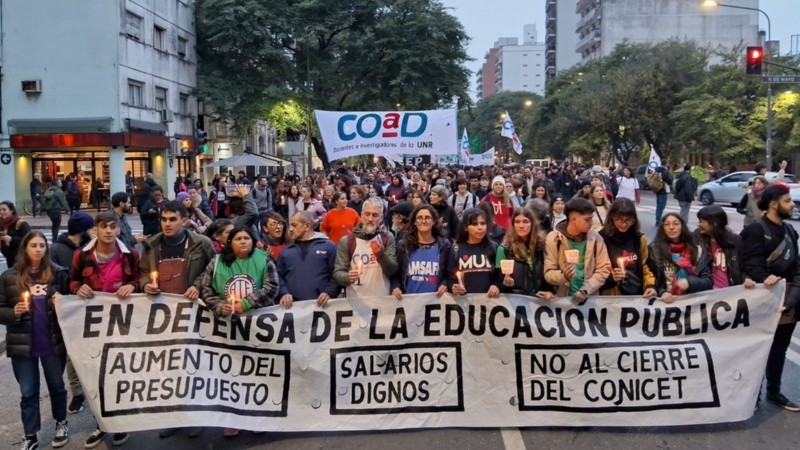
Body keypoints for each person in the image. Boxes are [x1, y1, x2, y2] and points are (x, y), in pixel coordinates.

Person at [139, 201, 214, 439]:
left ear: (184, 220)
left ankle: (196, 416)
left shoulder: (202, 243)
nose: (167, 224)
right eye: (164, 219)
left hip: (193, 315)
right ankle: (172, 416)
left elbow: (214, 269)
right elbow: (141, 273)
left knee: (194, 367)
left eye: (173, 219)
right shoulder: (151, 246)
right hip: (162, 317)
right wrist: (144, 285)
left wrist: (197, 285)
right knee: (167, 369)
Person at [198, 225, 279, 437]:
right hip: (227, 326)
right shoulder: (216, 262)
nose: (243, 241)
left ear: (253, 241)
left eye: (247, 238)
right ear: (229, 243)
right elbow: (206, 289)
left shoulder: (264, 259)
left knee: (257, 371)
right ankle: (233, 417)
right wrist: (218, 306)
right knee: (231, 372)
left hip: (257, 325)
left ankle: (258, 417)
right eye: (238, 239)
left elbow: (272, 287)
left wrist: (246, 303)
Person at [69, 211, 138, 448]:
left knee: (119, 374)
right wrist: (78, 288)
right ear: (94, 230)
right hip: (93, 326)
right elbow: (72, 281)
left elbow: (138, 280)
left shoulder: (130, 256)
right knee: (96, 376)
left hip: (121, 324)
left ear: (119, 229)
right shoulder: (81, 255)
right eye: (103, 226)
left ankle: (120, 423)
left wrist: (131, 285)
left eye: (112, 226)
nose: (108, 231)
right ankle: (101, 423)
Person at [0, 231, 71, 450]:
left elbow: (72, 304)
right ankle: (30, 434)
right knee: (28, 392)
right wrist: (14, 312)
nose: (38, 249)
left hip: (51, 342)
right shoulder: (9, 277)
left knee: (57, 386)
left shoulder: (58, 273)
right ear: (25, 249)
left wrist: (64, 302)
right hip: (23, 344)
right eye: (33, 245)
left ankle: (61, 423)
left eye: (42, 245)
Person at [740, 184, 800, 411]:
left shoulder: (791, 232)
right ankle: (752, 395)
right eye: (787, 200)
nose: (793, 204)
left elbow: (797, 269)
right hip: (760, 303)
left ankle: (774, 392)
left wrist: (790, 301)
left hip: (787, 304)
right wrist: (767, 279)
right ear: (774, 204)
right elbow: (749, 265)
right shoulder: (755, 231)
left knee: (779, 350)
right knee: (756, 349)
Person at [544, 197, 612, 304]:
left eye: (591, 218)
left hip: (589, 300)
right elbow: (548, 273)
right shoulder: (554, 238)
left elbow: (604, 269)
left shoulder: (595, 238)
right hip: (562, 300)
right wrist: (564, 276)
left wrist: (585, 290)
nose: (591, 223)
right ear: (573, 219)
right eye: (587, 219)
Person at [333, 197, 398, 297]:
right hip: (355, 302)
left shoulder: (387, 237)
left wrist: (381, 255)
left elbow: (392, 271)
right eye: (367, 214)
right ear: (361, 215)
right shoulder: (347, 241)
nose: (370, 219)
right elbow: (338, 274)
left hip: (382, 302)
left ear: (381, 218)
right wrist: (347, 277)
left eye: (375, 215)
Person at [277, 211, 341, 308]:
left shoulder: (329, 246)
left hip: (323, 307)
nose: (290, 229)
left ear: (307, 226)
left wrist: (329, 292)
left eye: (294, 225)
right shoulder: (285, 251)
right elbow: (278, 277)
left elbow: (337, 274)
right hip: (293, 309)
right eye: (290, 226)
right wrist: (284, 293)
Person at [647, 212, 712, 303]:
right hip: (663, 302)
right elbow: (651, 277)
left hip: (689, 302)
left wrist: (689, 282)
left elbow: (708, 281)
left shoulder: (697, 250)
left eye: (676, 224)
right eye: (667, 224)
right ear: (662, 228)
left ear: (682, 227)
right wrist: (663, 292)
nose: (671, 227)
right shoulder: (654, 249)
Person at [391, 205, 451, 299]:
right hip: (409, 303)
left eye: (427, 218)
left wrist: (445, 284)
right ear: (414, 222)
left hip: (436, 303)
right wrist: (395, 287)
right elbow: (396, 274)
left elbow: (449, 275)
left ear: (434, 221)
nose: (423, 221)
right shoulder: (403, 245)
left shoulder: (444, 246)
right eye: (419, 218)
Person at [599, 198, 656, 296]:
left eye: (628, 220)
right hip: (611, 294)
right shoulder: (601, 238)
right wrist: (611, 277)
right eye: (619, 220)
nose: (624, 224)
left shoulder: (639, 238)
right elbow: (596, 269)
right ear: (611, 218)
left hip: (635, 291)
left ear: (634, 219)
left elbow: (645, 265)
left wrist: (650, 285)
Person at [496, 208, 553, 299]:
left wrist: (550, 291)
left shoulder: (543, 245)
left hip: (540, 302)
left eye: (525, 221)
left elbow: (549, 273)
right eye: (517, 222)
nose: (521, 226)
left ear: (532, 224)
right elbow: (498, 282)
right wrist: (506, 284)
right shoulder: (504, 249)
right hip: (516, 302)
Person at [695, 205, 754, 289]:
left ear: (714, 223)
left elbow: (743, 267)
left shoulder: (736, 241)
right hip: (706, 293)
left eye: (701, 221)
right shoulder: (697, 239)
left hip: (730, 293)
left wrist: (746, 279)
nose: (698, 224)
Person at [447, 208, 500, 297]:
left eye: (482, 223)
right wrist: (452, 287)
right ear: (465, 227)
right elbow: (449, 278)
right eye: (474, 224)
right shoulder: (456, 249)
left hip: (489, 304)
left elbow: (500, 277)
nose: (480, 227)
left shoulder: (494, 247)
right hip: (465, 305)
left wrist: (497, 286)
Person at [0, 201, 32, 266]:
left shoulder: (21, 224)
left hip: (22, 259)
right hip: (9, 258)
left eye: (4, 209)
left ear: (11, 211)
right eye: (0, 210)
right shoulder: (1, 224)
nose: (1, 212)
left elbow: (29, 241)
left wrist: (11, 239)